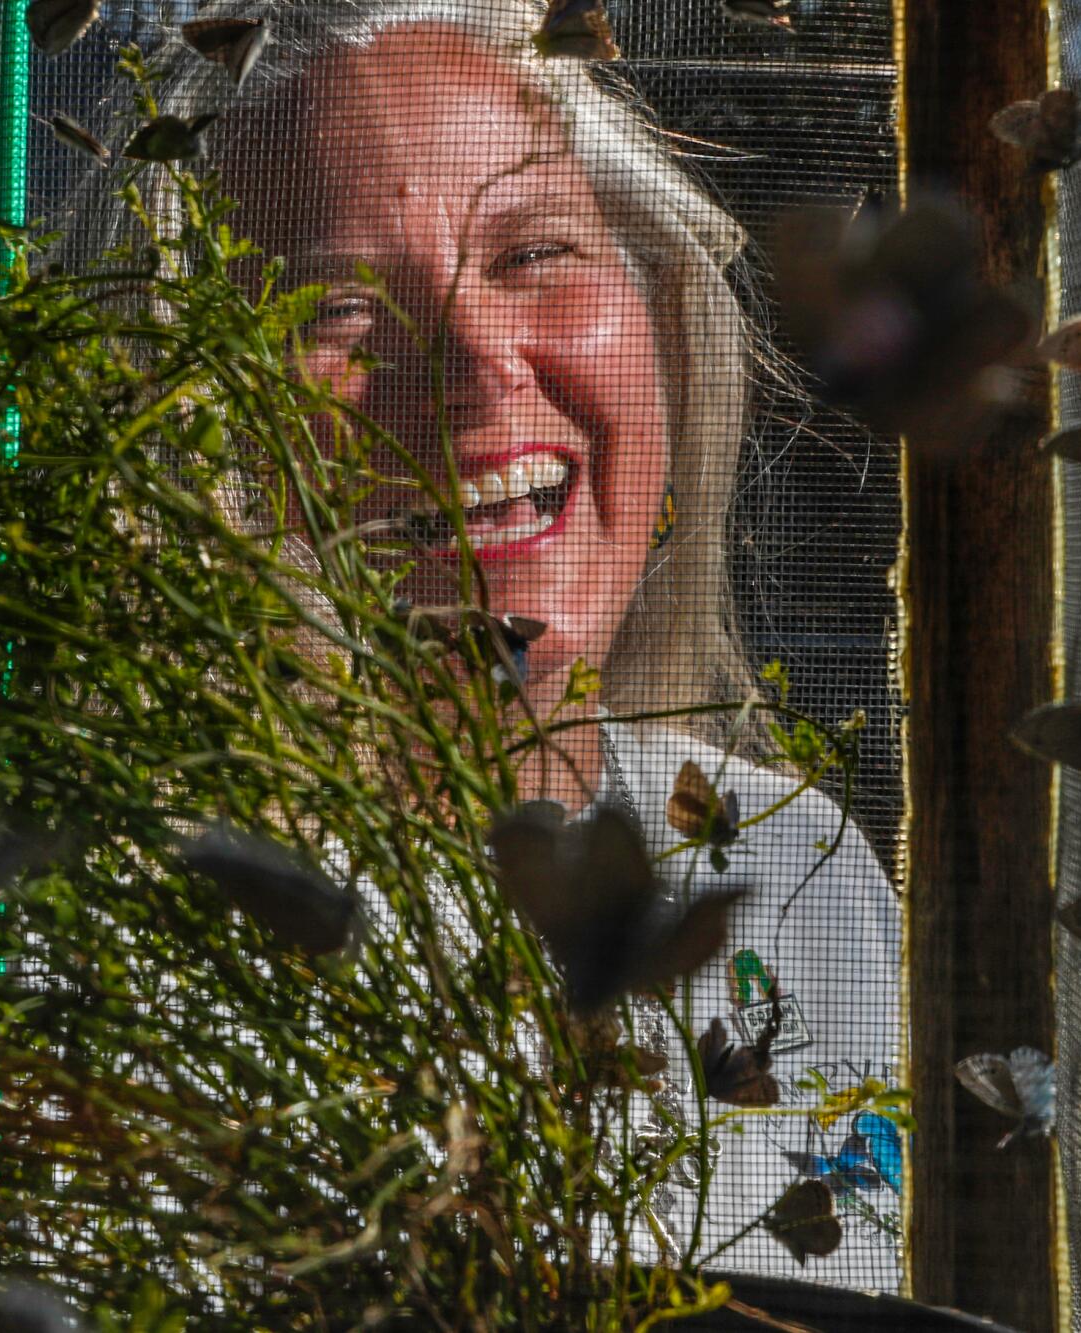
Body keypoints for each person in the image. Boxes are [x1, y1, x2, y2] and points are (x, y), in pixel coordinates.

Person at [66, 0, 903, 1284]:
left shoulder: (794, 868)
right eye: (337, 306)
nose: (471, 366)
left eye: (532, 253)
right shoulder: (128, 942)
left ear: (661, 314)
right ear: (192, 420)